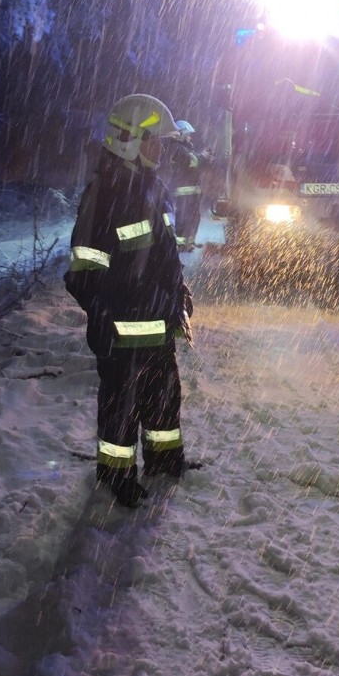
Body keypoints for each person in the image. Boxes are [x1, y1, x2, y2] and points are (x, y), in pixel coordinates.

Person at [64, 94, 193, 508]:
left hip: (158, 326)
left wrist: (178, 291)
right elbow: (84, 267)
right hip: (121, 331)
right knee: (121, 406)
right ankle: (116, 473)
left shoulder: (156, 189)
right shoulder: (104, 194)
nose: (162, 149)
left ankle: (164, 460)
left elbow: (165, 254)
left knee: (164, 397)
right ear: (130, 140)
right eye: (155, 140)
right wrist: (100, 308)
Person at [166, 120, 207, 251]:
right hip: (184, 191)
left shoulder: (187, 147)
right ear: (181, 134)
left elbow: (196, 162)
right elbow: (192, 161)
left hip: (191, 191)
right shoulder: (177, 148)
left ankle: (190, 242)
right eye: (188, 134)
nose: (190, 137)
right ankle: (181, 244)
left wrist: (204, 158)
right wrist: (202, 157)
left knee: (194, 217)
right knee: (184, 218)